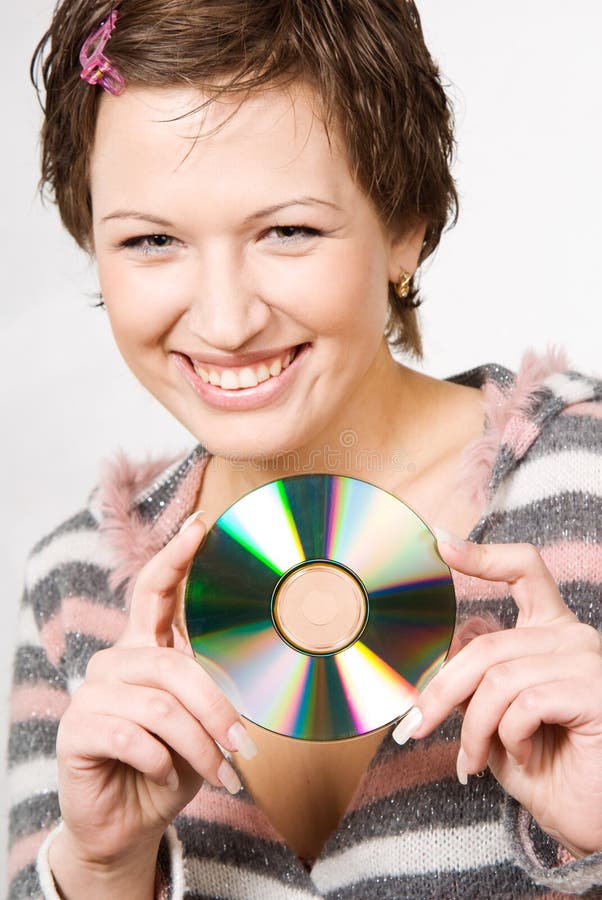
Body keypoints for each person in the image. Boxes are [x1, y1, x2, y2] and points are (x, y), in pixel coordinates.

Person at [7, 1, 602, 897]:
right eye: (151, 240)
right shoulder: (76, 587)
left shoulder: (584, 484)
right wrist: (100, 866)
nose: (224, 319)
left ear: (405, 222)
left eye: (287, 230)